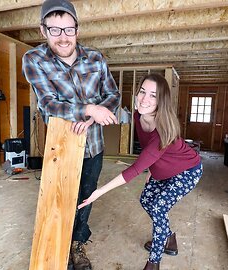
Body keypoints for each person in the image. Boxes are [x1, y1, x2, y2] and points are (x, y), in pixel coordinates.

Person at [21, 0, 120, 269]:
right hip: (60, 147)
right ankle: (56, 248)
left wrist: (91, 118)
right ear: (43, 31)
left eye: (69, 29)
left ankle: (77, 244)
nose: (63, 37)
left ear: (77, 29)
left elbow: (114, 95)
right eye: (55, 30)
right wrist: (89, 108)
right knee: (58, 197)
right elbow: (49, 104)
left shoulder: (96, 59)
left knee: (86, 196)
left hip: (94, 145)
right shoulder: (34, 60)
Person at [78, 73, 203, 270]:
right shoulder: (138, 115)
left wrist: (98, 192)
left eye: (153, 95)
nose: (145, 98)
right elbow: (110, 116)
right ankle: (169, 237)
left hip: (187, 171)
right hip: (163, 168)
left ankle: (154, 262)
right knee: (146, 200)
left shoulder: (161, 134)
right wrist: (89, 121)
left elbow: (135, 169)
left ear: (161, 101)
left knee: (159, 207)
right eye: (142, 91)